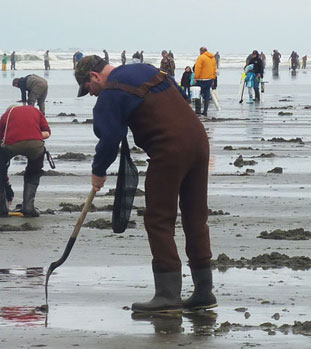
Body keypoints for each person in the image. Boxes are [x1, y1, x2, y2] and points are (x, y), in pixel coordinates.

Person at [74, 55, 215, 314]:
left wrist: (98, 171)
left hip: (169, 148)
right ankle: (204, 292)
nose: (92, 95)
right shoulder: (148, 70)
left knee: (158, 219)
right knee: (195, 216)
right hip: (199, 140)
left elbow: (109, 138)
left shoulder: (111, 91)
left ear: (94, 77)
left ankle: (167, 294)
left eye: (88, 89)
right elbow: (182, 96)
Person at [0, 105, 50, 217]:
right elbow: (47, 133)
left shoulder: (6, 115)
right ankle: (28, 207)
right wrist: (32, 135)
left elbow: (0, 141)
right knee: (34, 172)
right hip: (36, 144)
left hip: (11, 143)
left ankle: (1, 201)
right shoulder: (36, 111)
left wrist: (7, 187)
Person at [194, 46, 217, 116]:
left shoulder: (201, 57)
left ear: (201, 51)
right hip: (209, 79)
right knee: (206, 95)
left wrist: (196, 77)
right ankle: (205, 111)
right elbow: (214, 69)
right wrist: (213, 78)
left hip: (201, 79)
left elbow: (198, 68)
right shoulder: (212, 58)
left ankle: (198, 111)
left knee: (197, 94)